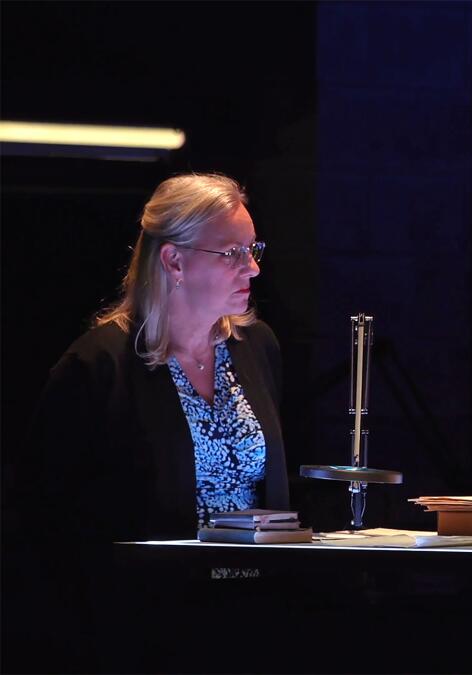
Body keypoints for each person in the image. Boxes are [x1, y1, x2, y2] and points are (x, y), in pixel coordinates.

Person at [20, 173, 289, 669]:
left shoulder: (257, 348)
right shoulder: (97, 366)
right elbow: (43, 525)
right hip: (141, 630)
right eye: (231, 252)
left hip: (252, 620)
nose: (251, 267)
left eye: (254, 249)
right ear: (174, 260)